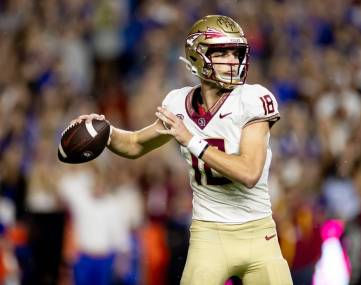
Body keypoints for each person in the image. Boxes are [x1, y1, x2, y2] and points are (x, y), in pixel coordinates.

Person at [70, 15, 293, 285]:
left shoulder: (253, 98)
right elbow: (135, 144)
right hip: (209, 236)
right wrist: (103, 131)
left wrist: (192, 140)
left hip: (258, 234)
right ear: (198, 57)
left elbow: (249, 172)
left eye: (236, 52)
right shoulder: (178, 103)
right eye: (222, 53)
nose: (233, 60)